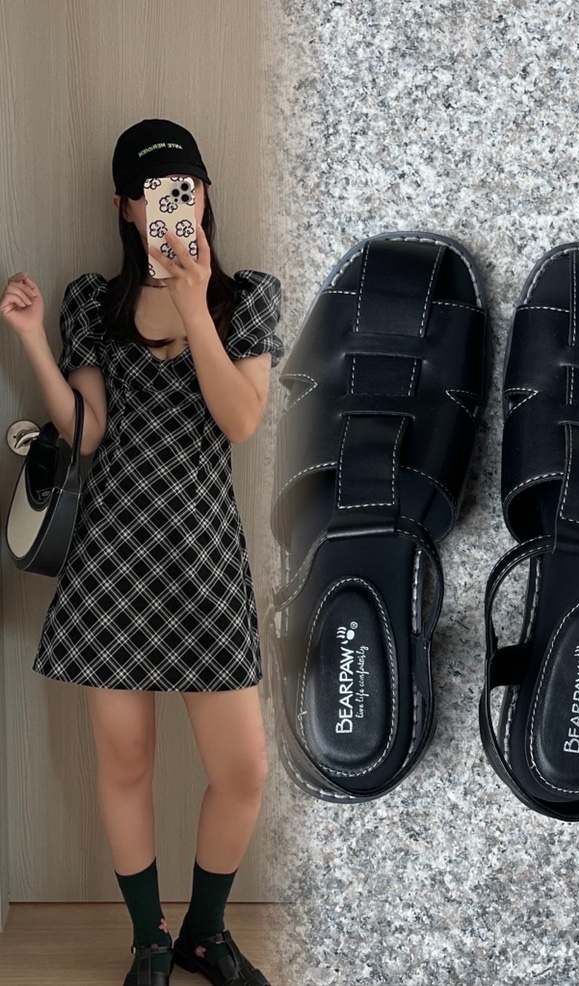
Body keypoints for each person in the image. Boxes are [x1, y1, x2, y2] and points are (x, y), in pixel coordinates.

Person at [0, 119, 281, 986]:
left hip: (204, 559)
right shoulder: (94, 300)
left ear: (204, 193)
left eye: (183, 188)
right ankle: (151, 940)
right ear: (125, 207)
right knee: (125, 764)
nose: (171, 205)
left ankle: (205, 932)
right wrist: (32, 337)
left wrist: (194, 305)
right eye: (152, 193)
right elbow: (87, 433)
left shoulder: (247, 297)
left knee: (243, 769)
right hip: (113, 560)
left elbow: (240, 420)